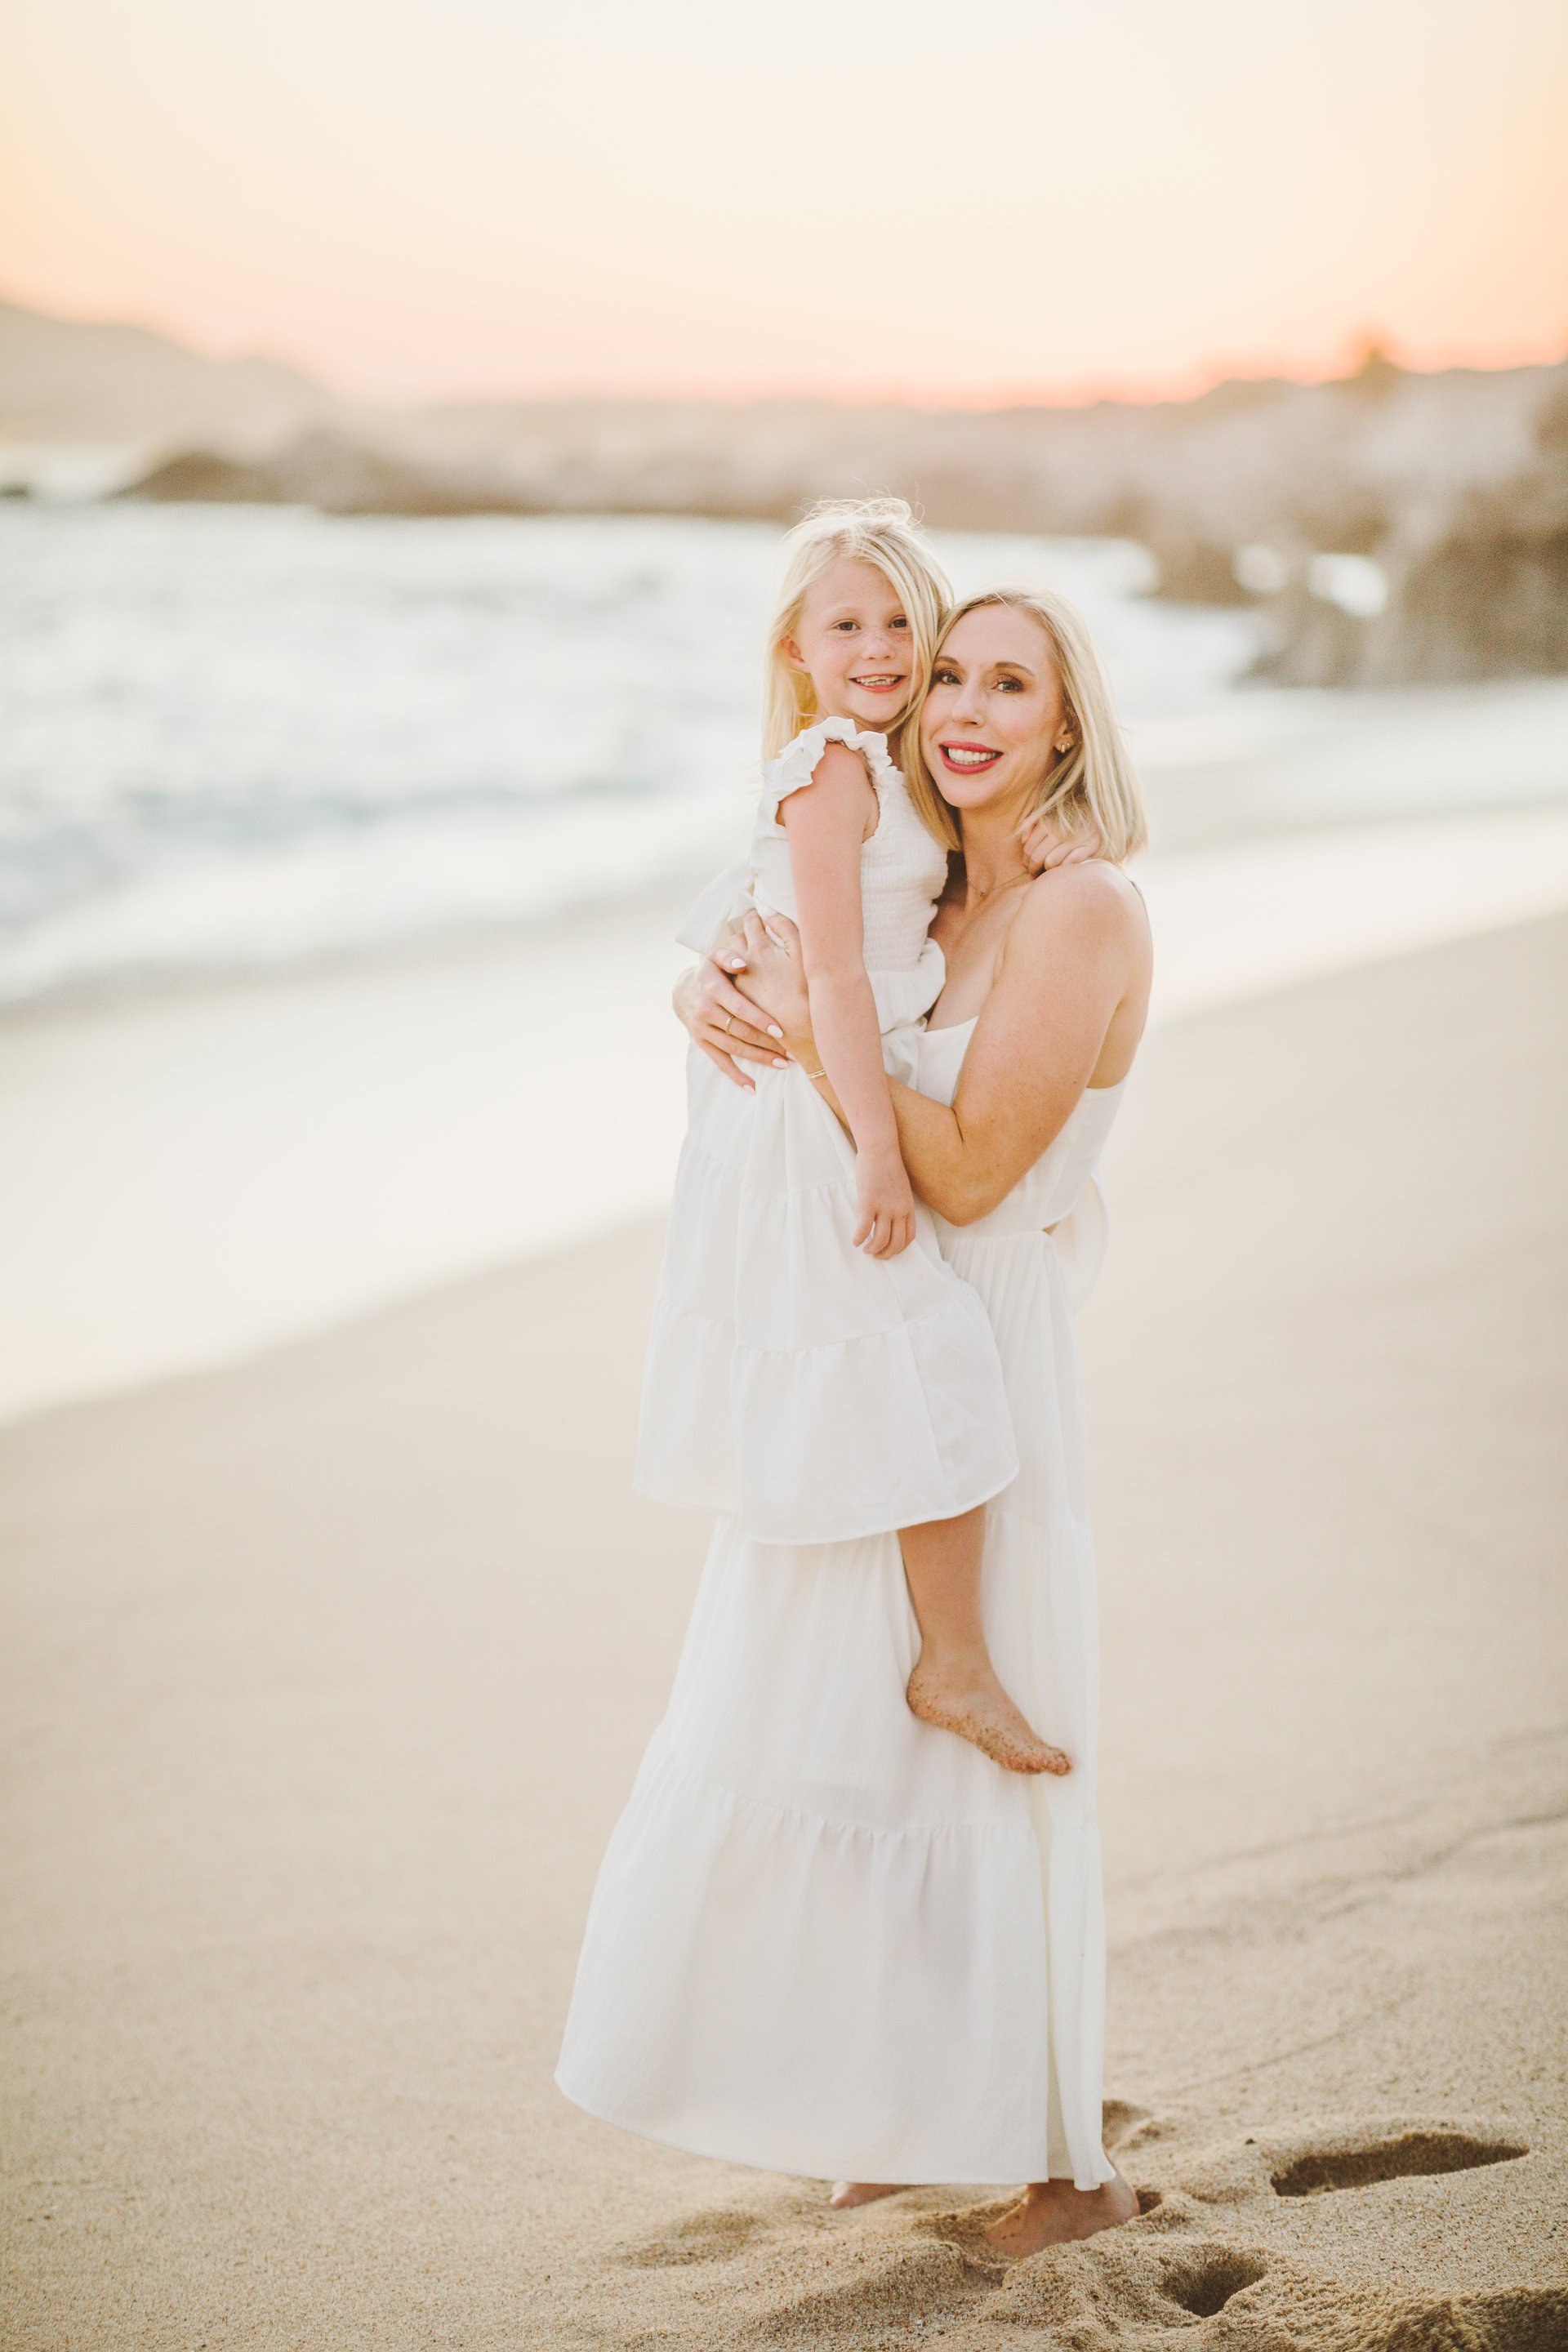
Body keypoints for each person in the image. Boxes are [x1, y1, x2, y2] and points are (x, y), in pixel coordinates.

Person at [558, 584, 1152, 2257]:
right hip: (859, 1333)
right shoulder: (938, 887)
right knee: (829, 1732)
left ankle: (1065, 2168)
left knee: (991, 1755)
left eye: (1010, 684)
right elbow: (809, 946)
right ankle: (884, 2105)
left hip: (977, 1349)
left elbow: (963, 1169)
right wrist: (711, 993)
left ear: (1067, 722)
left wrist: (815, 1042)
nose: (959, 706)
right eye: (947, 673)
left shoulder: (1083, 910)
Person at [637, 497, 1055, 1771]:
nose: (876, 648)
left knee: (908, 1346)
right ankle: (950, 1664)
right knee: (923, 1346)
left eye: (899, 625)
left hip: (835, 1085)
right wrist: (876, 1145)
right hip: (805, 1106)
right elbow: (828, 973)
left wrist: (1067, 830)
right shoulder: (827, 767)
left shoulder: (894, 764)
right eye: (845, 626)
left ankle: (937, 1657)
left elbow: (786, 903)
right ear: (795, 649)